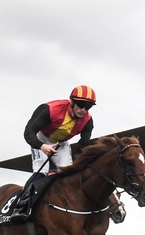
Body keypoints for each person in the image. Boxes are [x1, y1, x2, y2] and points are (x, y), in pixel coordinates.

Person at [8, 85, 97, 222]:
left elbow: (82, 147)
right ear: (71, 102)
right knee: (41, 171)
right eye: (80, 105)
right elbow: (28, 132)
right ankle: (21, 206)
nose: (83, 110)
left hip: (61, 142)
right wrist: (42, 146)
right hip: (40, 138)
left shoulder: (88, 121)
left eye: (88, 107)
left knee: (68, 173)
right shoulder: (50, 110)